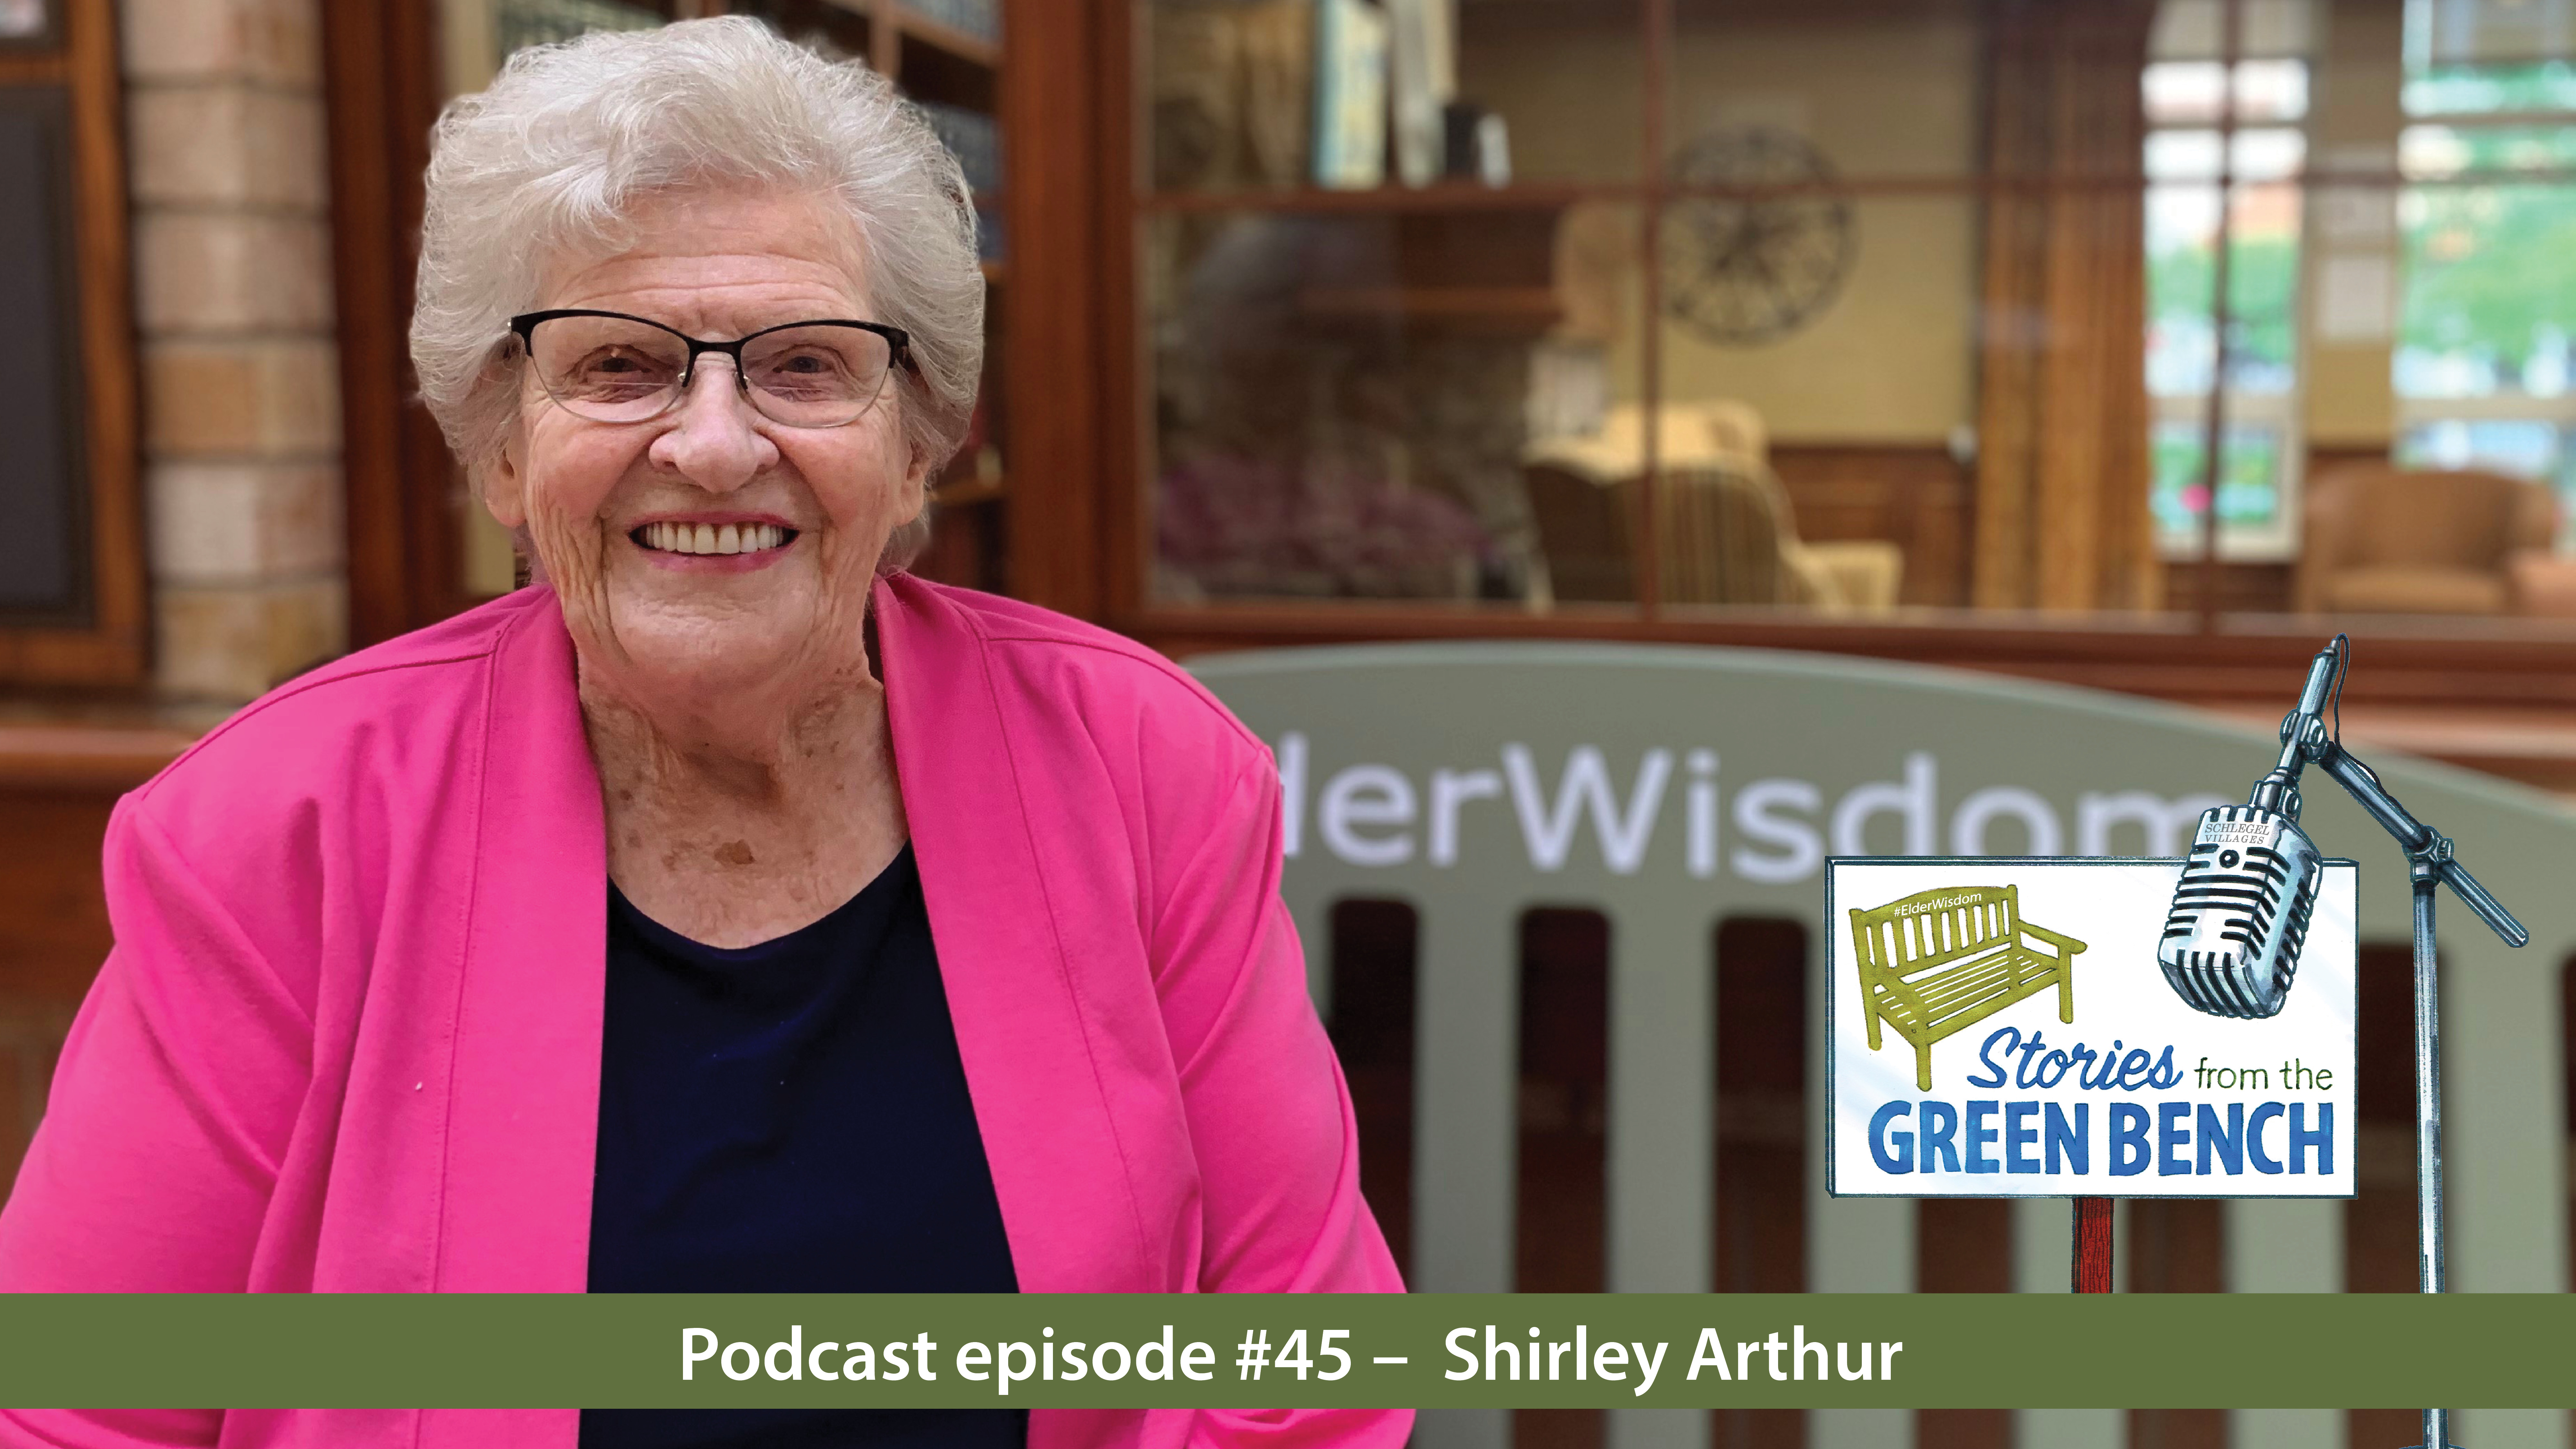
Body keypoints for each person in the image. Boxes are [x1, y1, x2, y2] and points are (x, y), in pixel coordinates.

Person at [0, 18, 1406, 1448]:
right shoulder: (274, 831)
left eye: (804, 366)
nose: (716, 443)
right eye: (619, 366)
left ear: (918, 442)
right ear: (501, 446)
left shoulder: (1141, 770)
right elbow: (71, 1414)